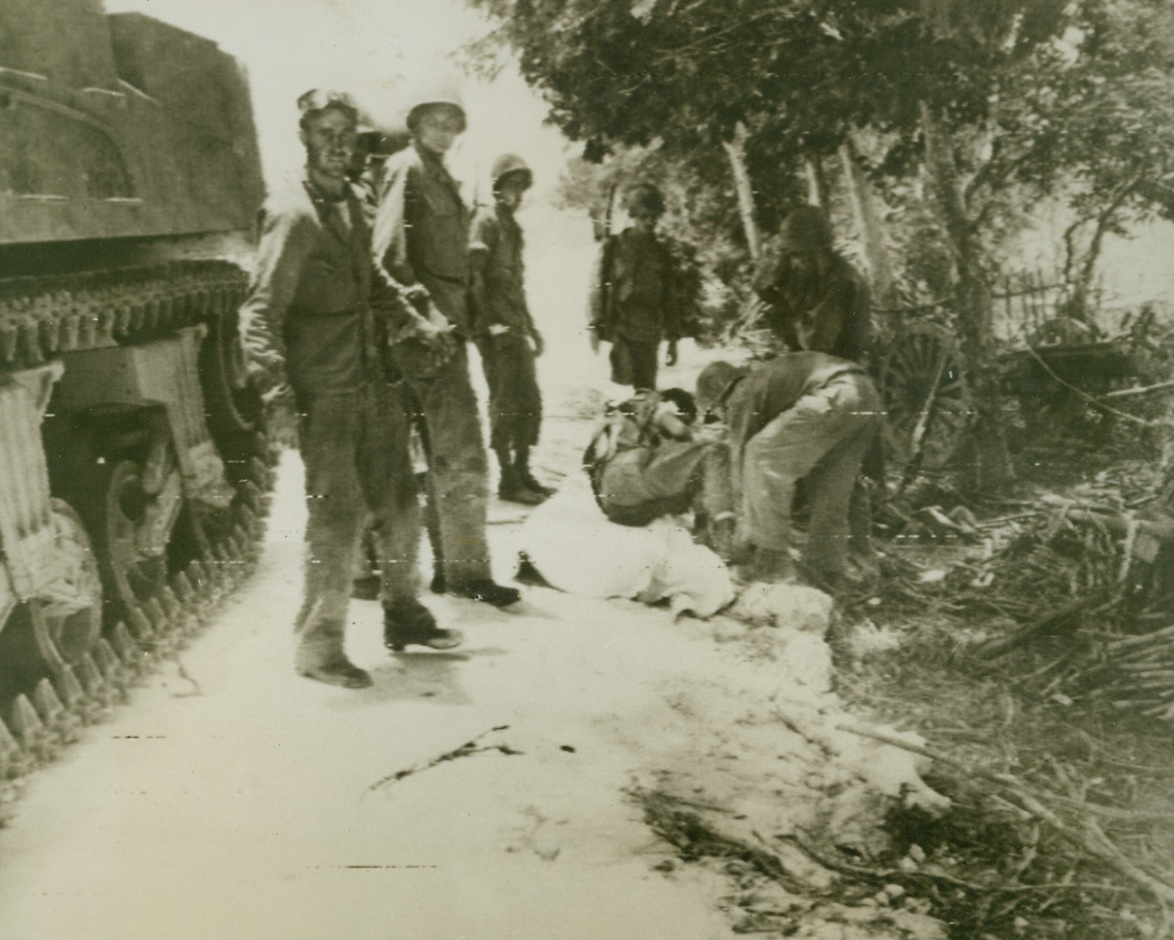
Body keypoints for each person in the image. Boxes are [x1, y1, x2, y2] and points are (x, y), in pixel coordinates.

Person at [238, 89, 461, 689]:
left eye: (347, 135)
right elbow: (259, 314)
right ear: (306, 137)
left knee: (400, 506)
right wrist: (277, 399)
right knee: (336, 520)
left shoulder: (357, 203)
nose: (338, 146)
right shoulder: (293, 214)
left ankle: (405, 616)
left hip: (371, 381)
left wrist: (415, 320)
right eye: (325, 133)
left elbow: (377, 279)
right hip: (326, 391)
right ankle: (319, 649)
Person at [372, 78, 520, 608]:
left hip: (444, 330)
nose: (445, 129)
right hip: (423, 335)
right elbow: (389, 256)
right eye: (433, 120)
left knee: (440, 455)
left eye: (451, 121)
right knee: (460, 454)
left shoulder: (440, 176)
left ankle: (451, 570)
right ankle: (465, 574)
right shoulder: (405, 170)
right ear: (414, 124)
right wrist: (427, 319)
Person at [695, 354, 881, 591]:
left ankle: (771, 560)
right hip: (864, 393)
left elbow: (741, 462)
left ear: (719, 395)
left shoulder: (741, 393)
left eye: (715, 413)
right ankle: (826, 567)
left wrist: (740, 539)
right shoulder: (766, 379)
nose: (722, 418)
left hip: (835, 393)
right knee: (829, 483)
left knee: (761, 455)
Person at [469, 153, 551, 505]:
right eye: (510, 186)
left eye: (520, 187)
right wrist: (491, 326)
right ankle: (507, 479)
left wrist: (531, 328)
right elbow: (473, 281)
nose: (515, 193)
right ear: (497, 187)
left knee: (529, 402)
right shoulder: (484, 222)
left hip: (515, 327)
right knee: (504, 404)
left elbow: (515, 286)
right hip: (495, 331)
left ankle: (523, 471)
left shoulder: (512, 228)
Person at [582, 387, 733, 554]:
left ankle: (705, 531)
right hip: (629, 473)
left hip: (615, 504)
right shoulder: (656, 403)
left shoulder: (619, 412)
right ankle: (725, 535)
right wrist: (695, 433)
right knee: (713, 452)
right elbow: (678, 429)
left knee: (691, 472)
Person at [587, 182, 686, 391]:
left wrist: (673, 339)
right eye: (644, 216)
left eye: (654, 217)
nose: (650, 222)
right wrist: (594, 326)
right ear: (633, 215)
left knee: (646, 391)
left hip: (649, 330)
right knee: (621, 387)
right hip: (621, 326)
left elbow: (669, 297)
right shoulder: (614, 246)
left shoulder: (661, 252)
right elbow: (597, 286)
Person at [752, 205, 872, 364]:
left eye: (798, 255)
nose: (794, 263)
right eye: (791, 255)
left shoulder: (842, 281)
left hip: (841, 367)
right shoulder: (812, 274)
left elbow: (817, 343)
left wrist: (786, 317)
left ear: (817, 253)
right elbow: (769, 287)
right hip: (814, 362)